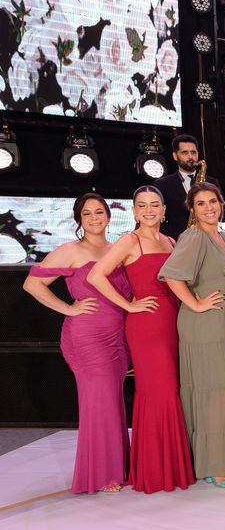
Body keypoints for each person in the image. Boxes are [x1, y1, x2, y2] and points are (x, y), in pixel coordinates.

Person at [88, 186, 194, 493]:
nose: (149, 210)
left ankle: (169, 466)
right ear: (134, 212)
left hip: (173, 319)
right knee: (159, 391)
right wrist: (129, 305)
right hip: (146, 323)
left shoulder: (170, 241)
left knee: (170, 390)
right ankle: (154, 470)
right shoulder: (128, 241)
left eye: (154, 205)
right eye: (142, 206)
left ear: (164, 210)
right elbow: (96, 276)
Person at [24, 194, 129, 493]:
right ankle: (102, 474)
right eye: (87, 213)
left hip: (118, 337)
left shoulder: (116, 249)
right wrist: (68, 309)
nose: (94, 218)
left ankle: (117, 467)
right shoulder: (70, 250)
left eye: (99, 212)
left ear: (109, 216)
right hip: (87, 338)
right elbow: (32, 284)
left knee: (112, 400)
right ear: (79, 220)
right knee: (100, 401)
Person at [159, 182, 225, 487]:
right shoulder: (194, 236)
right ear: (192, 209)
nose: (209, 208)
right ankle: (215, 465)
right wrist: (195, 303)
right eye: (201, 203)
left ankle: (209, 460)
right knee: (213, 392)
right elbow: (171, 275)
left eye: (213, 201)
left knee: (223, 391)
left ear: (221, 204)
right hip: (205, 324)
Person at [153, 134, 225, 241]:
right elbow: (157, 220)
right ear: (175, 156)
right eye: (185, 153)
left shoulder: (212, 182)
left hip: (209, 240)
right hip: (179, 243)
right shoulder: (162, 184)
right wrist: (178, 236)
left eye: (193, 152)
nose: (190, 157)